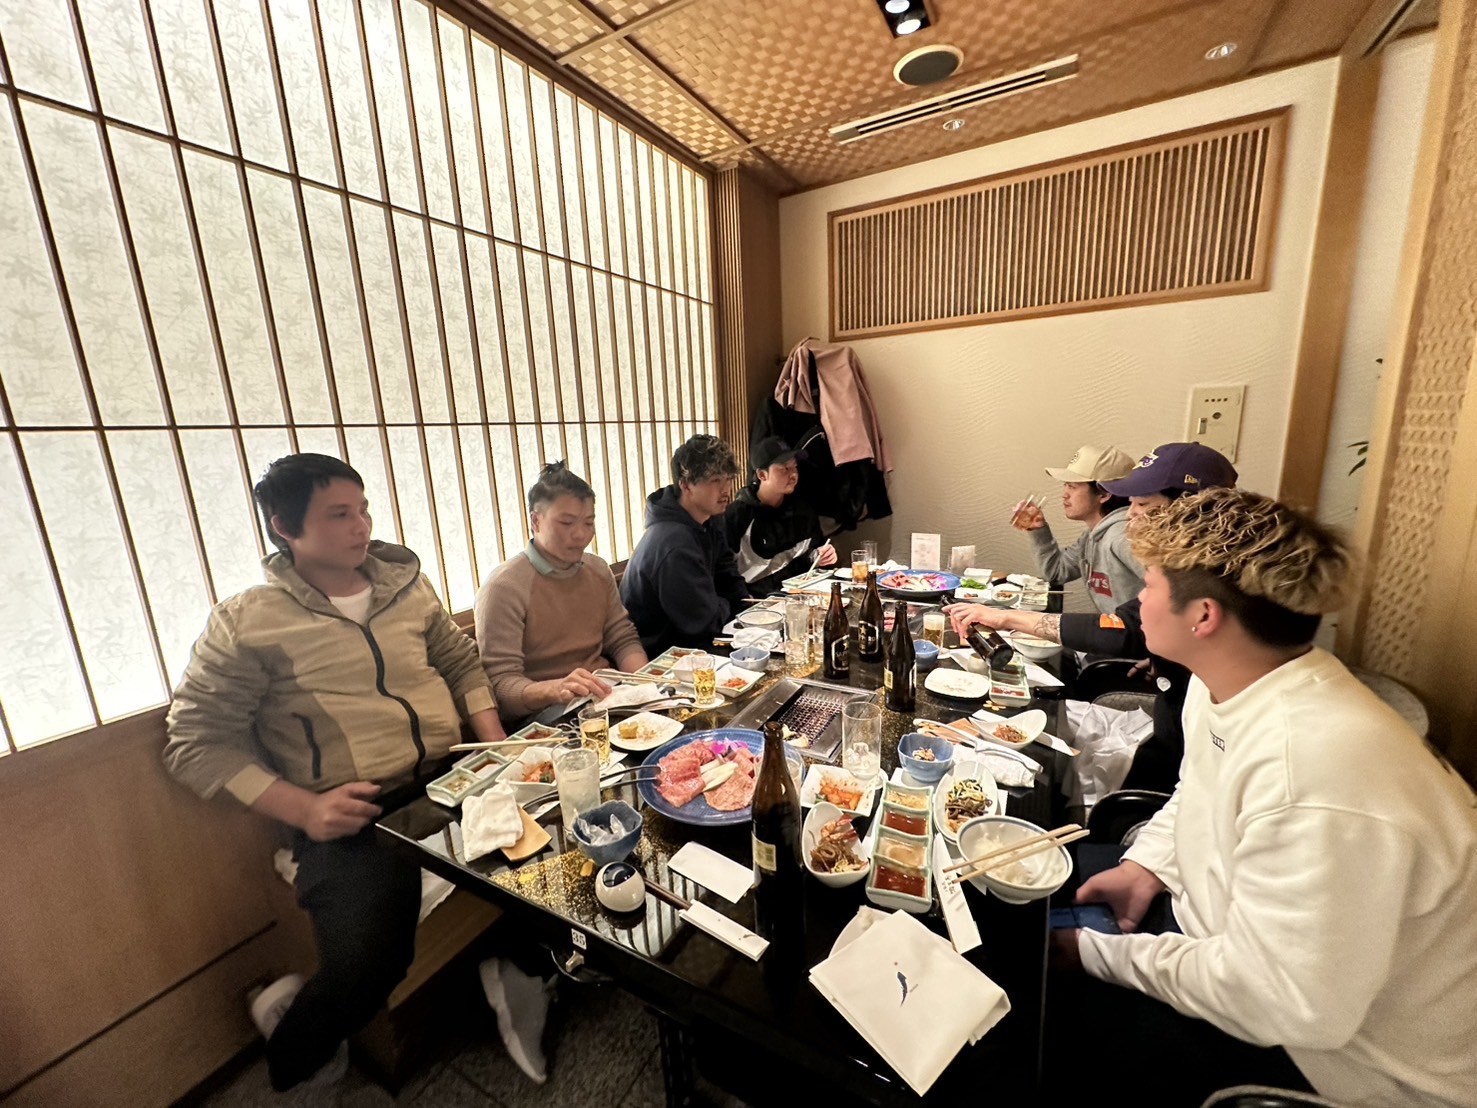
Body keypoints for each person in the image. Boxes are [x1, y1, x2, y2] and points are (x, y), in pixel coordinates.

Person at [1049, 488, 1477, 1107]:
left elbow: (1284, 1002)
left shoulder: (1317, 770)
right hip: (1216, 939)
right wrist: (1148, 866)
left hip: (1335, 1064)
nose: (1138, 601)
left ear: (1203, 616)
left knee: (1031, 1031)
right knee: (1018, 899)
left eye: (1151, 585)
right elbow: (1199, 787)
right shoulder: (1227, 683)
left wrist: (1098, 955)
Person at [160, 455, 548, 1090]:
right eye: (340, 514)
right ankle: (293, 1047)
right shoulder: (248, 621)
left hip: (449, 775)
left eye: (363, 509)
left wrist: (497, 750)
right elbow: (195, 741)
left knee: (553, 844)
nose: (362, 525)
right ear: (285, 527)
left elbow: (459, 662)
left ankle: (524, 976)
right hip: (354, 809)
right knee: (370, 960)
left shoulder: (406, 585)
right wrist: (306, 810)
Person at [949, 443, 1238, 792]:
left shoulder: (1126, 542)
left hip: (1137, 689)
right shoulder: (1101, 536)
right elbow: (1073, 580)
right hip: (1162, 707)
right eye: (1132, 503)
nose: (1132, 516)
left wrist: (1007, 618)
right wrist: (1166, 654)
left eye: (1144, 505)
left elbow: (1129, 626)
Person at [475, 462, 647, 726]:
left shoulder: (597, 569)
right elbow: (501, 685)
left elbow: (622, 638)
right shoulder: (504, 587)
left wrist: (645, 689)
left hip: (606, 696)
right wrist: (556, 689)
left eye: (588, 522)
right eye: (566, 522)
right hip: (546, 715)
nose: (581, 534)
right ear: (536, 521)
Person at [621, 434, 750, 655]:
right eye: (715, 480)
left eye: (728, 479)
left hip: (698, 634)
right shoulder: (673, 543)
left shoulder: (709, 519)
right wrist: (728, 603)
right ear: (686, 485)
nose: (726, 489)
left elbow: (726, 571)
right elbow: (703, 621)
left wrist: (745, 605)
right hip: (664, 651)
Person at [1011, 443, 1142, 614]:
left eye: (1072, 486)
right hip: (1113, 628)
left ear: (1104, 494)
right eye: (1065, 485)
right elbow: (1056, 573)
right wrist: (1038, 530)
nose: (1064, 494)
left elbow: (1170, 591)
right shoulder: (1092, 536)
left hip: (1135, 631)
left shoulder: (1124, 537)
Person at [723, 436, 837, 596]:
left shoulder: (803, 510)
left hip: (799, 598)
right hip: (754, 604)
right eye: (784, 468)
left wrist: (821, 556)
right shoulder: (737, 516)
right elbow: (724, 573)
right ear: (762, 475)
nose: (793, 474)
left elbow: (810, 554)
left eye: (794, 467)